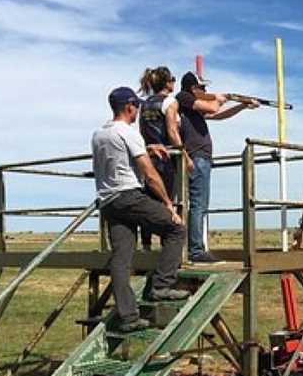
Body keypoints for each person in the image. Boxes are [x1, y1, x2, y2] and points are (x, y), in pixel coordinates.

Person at [92, 86, 189, 332]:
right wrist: (168, 204)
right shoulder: (128, 132)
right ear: (129, 107)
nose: (137, 111)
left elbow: (118, 156)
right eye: (136, 106)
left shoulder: (99, 134)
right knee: (175, 229)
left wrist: (148, 147)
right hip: (129, 196)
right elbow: (149, 173)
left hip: (109, 202)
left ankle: (128, 317)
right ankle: (162, 285)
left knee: (122, 258)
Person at [177, 71, 258, 262]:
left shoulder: (191, 106)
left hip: (199, 158)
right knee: (198, 204)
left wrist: (241, 105)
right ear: (193, 88)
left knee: (198, 204)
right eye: (202, 87)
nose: (206, 90)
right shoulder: (184, 98)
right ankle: (195, 250)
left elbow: (218, 115)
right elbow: (214, 109)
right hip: (196, 158)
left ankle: (194, 248)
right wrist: (221, 98)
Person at [137, 66, 193, 250]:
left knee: (148, 202)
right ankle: (167, 247)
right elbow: (171, 131)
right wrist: (185, 156)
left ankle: (145, 247)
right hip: (166, 158)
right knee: (169, 201)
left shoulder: (144, 104)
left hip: (147, 157)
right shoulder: (170, 102)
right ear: (168, 83)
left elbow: (142, 131)